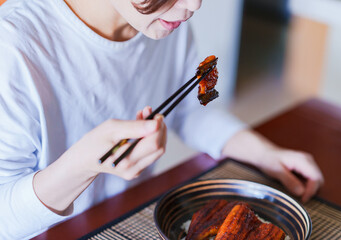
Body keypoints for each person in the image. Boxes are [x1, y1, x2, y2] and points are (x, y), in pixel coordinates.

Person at [0, 0, 324, 239]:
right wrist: (83, 164)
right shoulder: (13, 47)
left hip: (133, 218)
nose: (194, 5)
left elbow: (191, 110)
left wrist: (266, 155)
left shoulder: (161, 22)